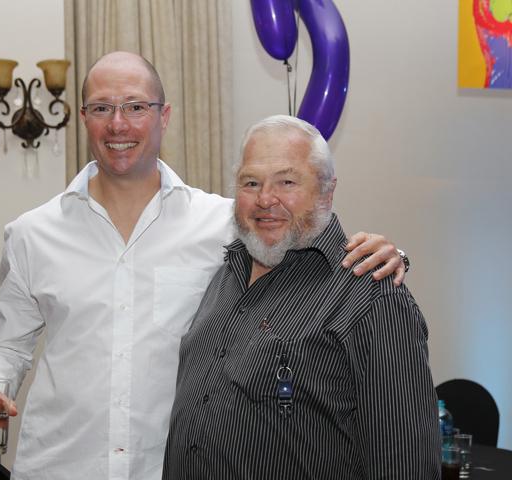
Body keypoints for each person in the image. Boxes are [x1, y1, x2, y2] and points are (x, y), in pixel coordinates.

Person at [0, 52, 407, 480]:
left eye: (136, 106)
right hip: (59, 467)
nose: (118, 123)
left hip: (168, 470)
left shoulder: (224, 224)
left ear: (164, 116)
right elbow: (5, 346)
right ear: (83, 118)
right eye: (102, 107)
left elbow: (303, 238)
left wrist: (392, 255)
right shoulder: (32, 233)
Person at [162, 115, 440, 479]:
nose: (265, 199)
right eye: (251, 182)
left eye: (287, 181)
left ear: (327, 191)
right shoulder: (225, 271)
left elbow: (406, 465)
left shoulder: (371, 298)